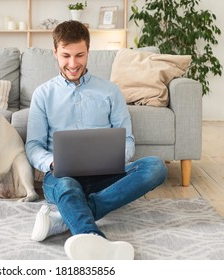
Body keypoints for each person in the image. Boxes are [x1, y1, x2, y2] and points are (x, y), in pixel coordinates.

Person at [25, 20, 168, 260]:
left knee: (155, 167)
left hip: (106, 176)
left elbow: (128, 140)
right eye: (66, 56)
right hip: (61, 177)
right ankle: (97, 241)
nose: (73, 64)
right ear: (55, 53)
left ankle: (64, 218)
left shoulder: (110, 91)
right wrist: (52, 163)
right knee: (68, 187)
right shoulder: (43, 94)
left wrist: (111, 159)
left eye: (79, 55)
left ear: (88, 51)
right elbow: (33, 146)